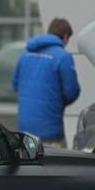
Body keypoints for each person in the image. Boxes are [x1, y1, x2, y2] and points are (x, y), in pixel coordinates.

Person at [12, 18, 81, 148]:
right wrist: (56, 101)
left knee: (27, 160)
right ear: (65, 36)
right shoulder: (63, 56)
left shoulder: (25, 53)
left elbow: (15, 85)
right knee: (57, 160)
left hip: (25, 129)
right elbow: (71, 92)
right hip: (50, 129)